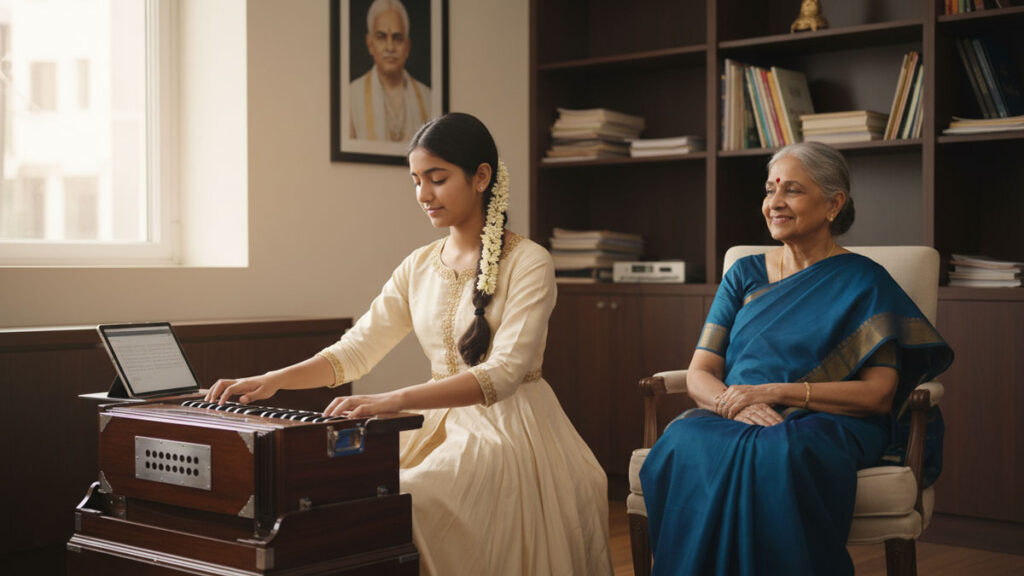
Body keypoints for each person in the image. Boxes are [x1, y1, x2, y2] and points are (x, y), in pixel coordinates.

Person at [206, 112, 613, 576]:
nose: (423, 195)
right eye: (416, 180)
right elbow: (355, 350)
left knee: (412, 500)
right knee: (347, 493)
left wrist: (391, 400)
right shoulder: (418, 266)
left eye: (437, 179)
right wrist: (272, 381)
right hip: (431, 425)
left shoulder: (529, 262)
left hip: (509, 432)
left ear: (482, 177)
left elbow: (502, 376)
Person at [639, 141, 953, 575]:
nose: (775, 203)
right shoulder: (743, 274)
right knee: (681, 442)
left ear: (833, 204)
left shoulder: (865, 281)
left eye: (792, 191)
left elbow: (879, 395)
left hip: (829, 421)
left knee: (782, 452)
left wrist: (772, 392)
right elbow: (700, 373)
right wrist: (734, 404)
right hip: (736, 413)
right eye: (770, 190)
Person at [349, 0, 431, 142]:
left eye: (397, 38)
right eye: (381, 37)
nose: (390, 47)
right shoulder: (351, 96)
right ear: (370, 44)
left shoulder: (427, 97)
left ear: (407, 46)